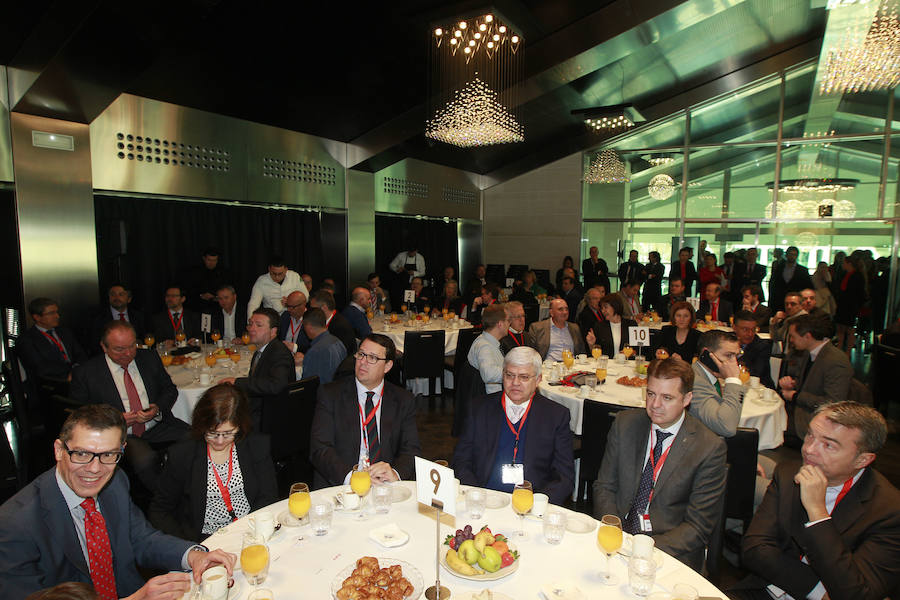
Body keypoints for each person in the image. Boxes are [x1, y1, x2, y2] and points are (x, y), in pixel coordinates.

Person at [0, 404, 236, 599]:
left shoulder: (115, 482)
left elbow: (140, 539)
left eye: (108, 455)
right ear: (59, 450)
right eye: (81, 454)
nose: (94, 469)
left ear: (122, 451)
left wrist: (193, 555)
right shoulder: (15, 524)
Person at [736, 402, 900, 600]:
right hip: (767, 589)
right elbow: (754, 549)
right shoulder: (789, 473)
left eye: (828, 445)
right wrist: (818, 591)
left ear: (862, 460)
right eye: (810, 435)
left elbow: (856, 594)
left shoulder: (889, 511)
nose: (809, 450)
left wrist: (818, 514)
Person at [593, 358, 727, 571]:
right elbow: (604, 486)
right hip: (617, 537)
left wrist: (641, 548)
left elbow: (697, 527)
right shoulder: (625, 424)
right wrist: (614, 530)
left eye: (667, 397)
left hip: (669, 552)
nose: (655, 405)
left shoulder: (708, 447)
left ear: (687, 399)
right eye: (651, 394)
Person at [69, 321, 190, 491]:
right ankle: (161, 501)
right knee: (145, 460)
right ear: (104, 347)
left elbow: (169, 390)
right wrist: (116, 419)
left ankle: (189, 490)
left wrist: (157, 408)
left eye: (132, 346)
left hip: (157, 424)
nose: (128, 353)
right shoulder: (87, 373)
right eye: (119, 349)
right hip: (121, 434)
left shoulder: (148, 357)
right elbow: (79, 415)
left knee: (197, 438)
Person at [149, 385, 278, 542]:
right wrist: (190, 548)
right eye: (212, 433)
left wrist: (251, 532)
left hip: (249, 531)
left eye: (228, 433)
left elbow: (268, 496)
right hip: (204, 539)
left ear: (241, 426)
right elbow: (160, 510)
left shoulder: (256, 445)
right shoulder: (183, 454)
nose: (220, 441)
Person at [453, 346, 574, 505]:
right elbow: (461, 461)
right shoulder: (478, 409)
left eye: (524, 377)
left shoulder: (556, 416)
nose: (515, 383)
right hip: (485, 497)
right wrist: (477, 496)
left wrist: (535, 505)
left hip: (531, 504)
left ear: (538, 380)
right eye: (509, 375)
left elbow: (564, 477)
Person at [309, 333, 422, 488]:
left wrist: (395, 473)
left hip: (384, 485)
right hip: (344, 485)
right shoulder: (330, 395)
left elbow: (411, 450)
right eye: (361, 354)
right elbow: (320, 449)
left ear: (388, 366)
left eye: (372, 358)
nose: (363, 362)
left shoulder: (403, 400)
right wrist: (353, 478)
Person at [778, 314, 853, 438]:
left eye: (792, 336)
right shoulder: (810, 352)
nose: (790, 340)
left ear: (807, 336)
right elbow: (810, 382)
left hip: (813, 419)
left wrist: (795, 396)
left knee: (769, 428)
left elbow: (833, 403)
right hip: (800, 409)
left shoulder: (836, 361)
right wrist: (793, 383)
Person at [219, 308, 296, 429]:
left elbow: (276, 385)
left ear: (273, 332)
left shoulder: (279, 353)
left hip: (270, 416)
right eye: (250, 324)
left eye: (259, 325)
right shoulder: (261, 350)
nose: (251, 329)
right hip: (260, 407)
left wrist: (237, 382)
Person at [19, 297, 88, 385]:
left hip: (77, 376)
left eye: (56, 312)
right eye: (51, 313)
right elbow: (41, 368)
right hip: (49, 383)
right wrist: (71, 371)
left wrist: (77, 369)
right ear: (37, 317)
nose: (57, 316)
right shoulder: (27, 339)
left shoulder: (65, 332)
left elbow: (80, 354)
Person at [690, 329, 743, 438]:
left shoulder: (710, 376)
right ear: (706, 354)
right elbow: (727, 427)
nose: (734, 363)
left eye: (736, 356)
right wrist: (732, 379)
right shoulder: (695, 381)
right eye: (729, 355)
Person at [526, 298, 592, 360]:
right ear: (551, 312)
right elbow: (531, 353)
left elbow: (581, 352)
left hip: (571, 366)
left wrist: (590, 345)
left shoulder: (574, 328)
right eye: (560, 309)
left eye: (566, 309)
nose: (565, 312)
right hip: (549, 368)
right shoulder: (538, 328)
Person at [89, 284, 145, 353]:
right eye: (113, 294)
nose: (116, 298)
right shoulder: (98, 318)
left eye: (121, 294)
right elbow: (94, 345)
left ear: (129, 299)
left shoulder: (139, 316)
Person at [467, 305, 508, 394]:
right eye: (507, 321)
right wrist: (514, 372)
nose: (509, 324)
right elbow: (488, 374)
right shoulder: (484, 346)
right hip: (490, 399)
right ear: (500, 324)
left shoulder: (488, 341)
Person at [300, 308, 347, 385]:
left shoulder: (314, 351)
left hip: (323, 394)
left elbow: (308, 385)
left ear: (309, 327)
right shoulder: (338, 342)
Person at [181, 247, 234, 314]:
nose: (212, 263)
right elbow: (189, 289)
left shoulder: (223, 273)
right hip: (198, 306)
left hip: (218, 307)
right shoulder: (195, 272)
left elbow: (228, 289)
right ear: (204, 259)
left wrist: (215, 296)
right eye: (209, 260)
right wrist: (201, 295)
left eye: (214, 260)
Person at [833, 253, 867, 354]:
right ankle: (840, 350)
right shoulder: (847, 275)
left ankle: (847, 352)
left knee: (849, 329)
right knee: (842, 329)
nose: (842, 265)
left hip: (850, 306)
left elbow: (858, 294)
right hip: (844, 306)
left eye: (844, 263)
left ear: (849, 263)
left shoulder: (856, 276)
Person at [308, 289, 357, 357]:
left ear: (324, 308)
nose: (311, 312)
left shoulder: (341, 327)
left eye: (313, 309)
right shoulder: (322, 322)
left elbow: (340, 355)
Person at [733, 310, 774, 389]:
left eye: (753, 329)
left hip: (760, 389)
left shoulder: (762, 346)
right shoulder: (727, 341)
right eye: (745, 329)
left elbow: (755, 372)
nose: (750, 334)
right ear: (734, 328)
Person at [769, 246, 812, 312]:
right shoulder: (778, 268)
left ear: (797, 256)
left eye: (794, 254)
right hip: (779, 301)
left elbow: (807, 286)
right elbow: (773, 284)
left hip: (796, 301)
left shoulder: (803, 270)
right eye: (790, 254)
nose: (792, 256)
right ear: (786, 255)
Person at [278, 290, 311, 367]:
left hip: (300, 363)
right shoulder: (285, 316)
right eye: (287, 306)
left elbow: (313, 347)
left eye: (292, 307)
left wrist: (295, 348)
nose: (289, 310)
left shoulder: (310, 319)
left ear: (303, 305)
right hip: (282, 359)